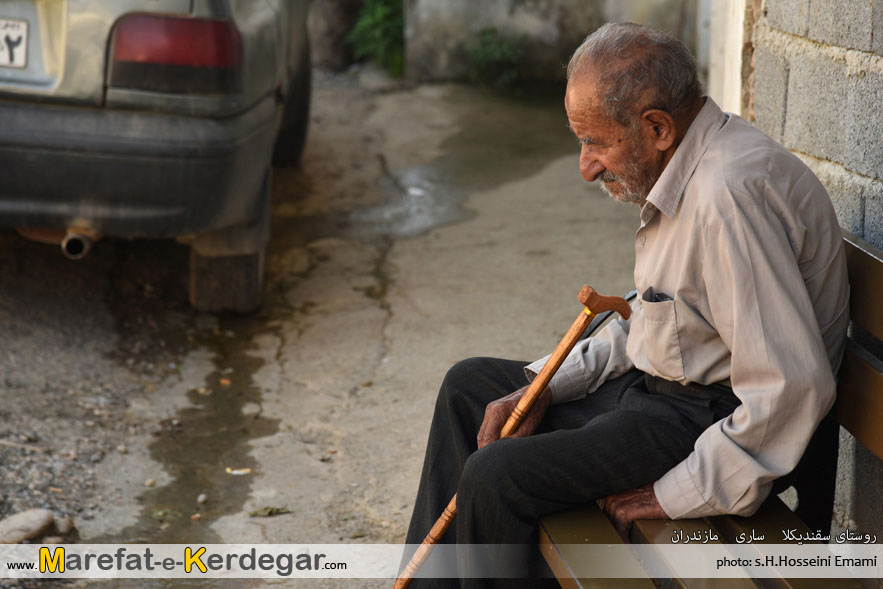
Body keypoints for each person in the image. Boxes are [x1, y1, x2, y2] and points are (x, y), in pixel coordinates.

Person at [403, 22, 850, 588]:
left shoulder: (726, 197)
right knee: (470, 388)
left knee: (497, 477)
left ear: (657, 128)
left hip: (708, 420)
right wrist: (544, 384)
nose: (586, 166)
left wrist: (675, 492)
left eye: (595, 143)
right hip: (662, 393)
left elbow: (791, 389)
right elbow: (658, 318)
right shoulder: (689, 165)